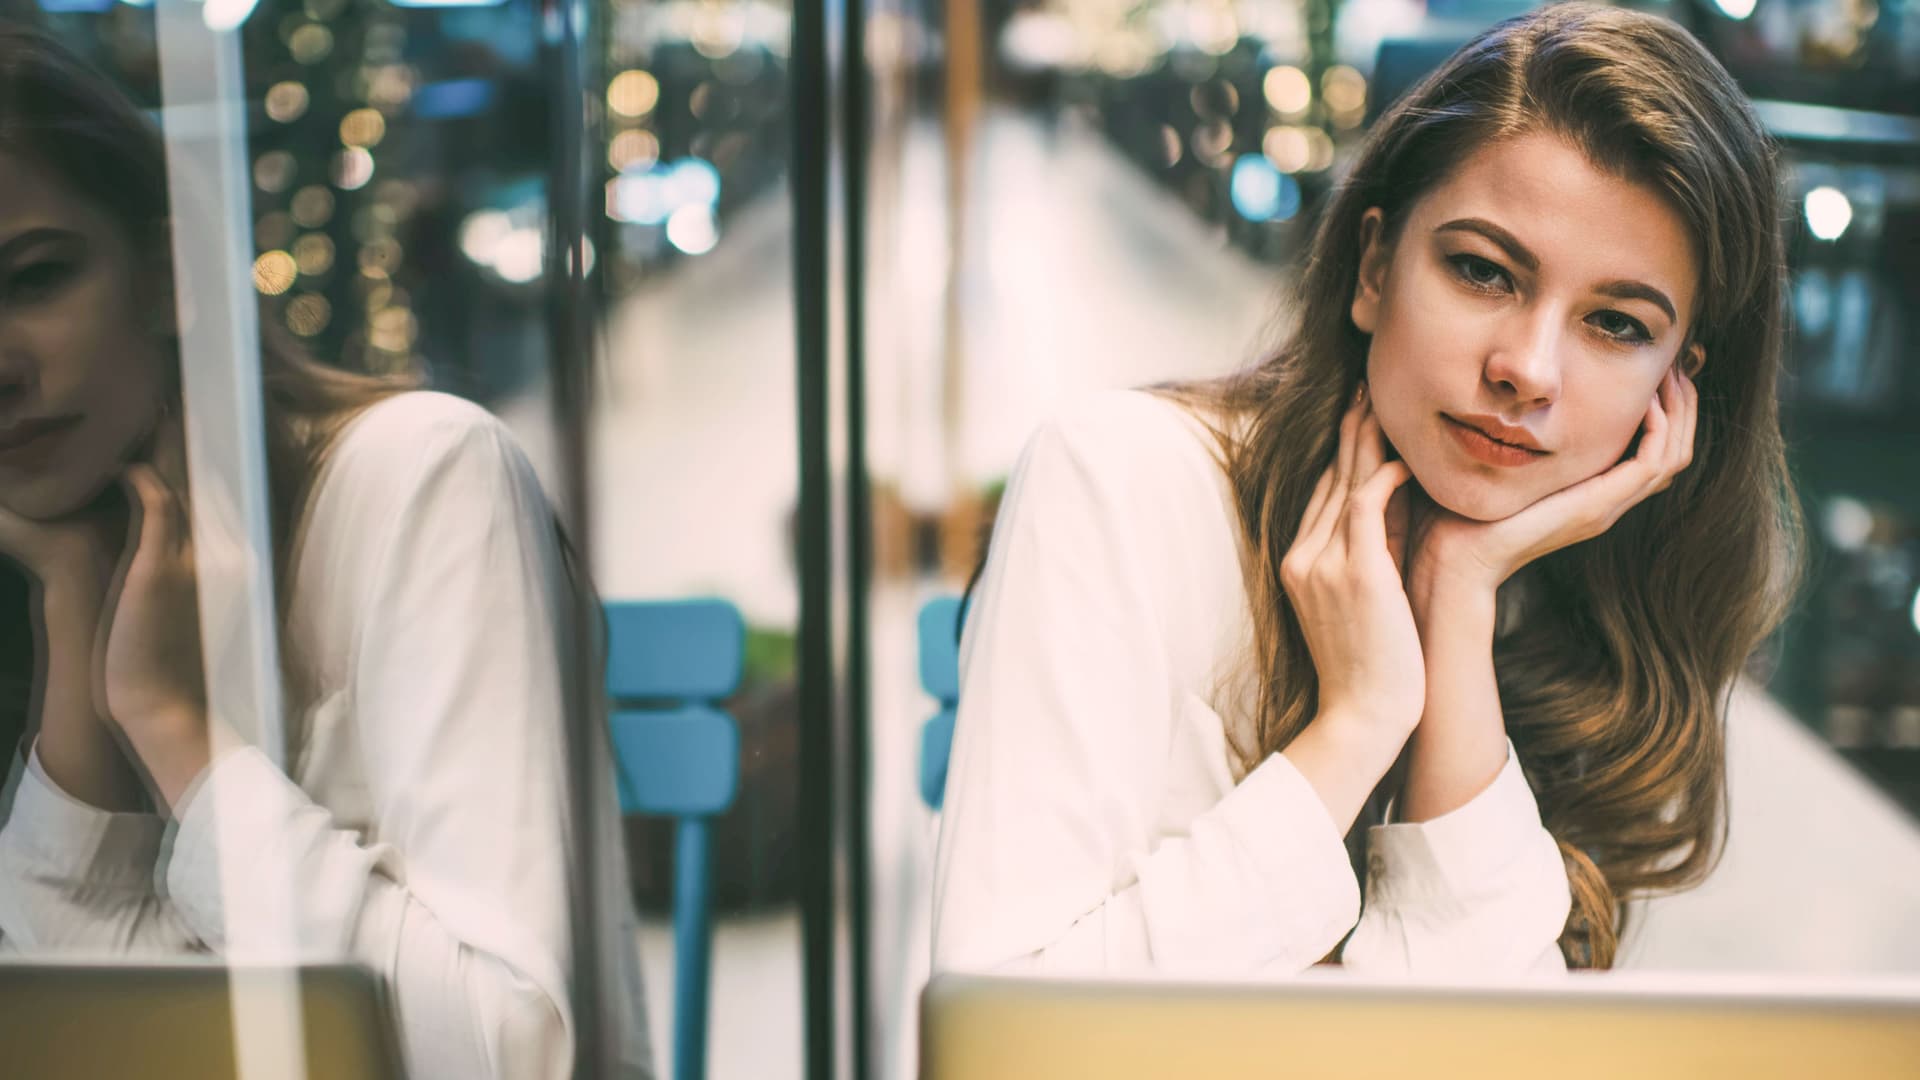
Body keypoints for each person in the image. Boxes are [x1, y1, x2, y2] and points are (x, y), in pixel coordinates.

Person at [931, 2, 1801, 976]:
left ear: (1677, 385)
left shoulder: (1585, 604)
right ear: (1376, 265)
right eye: (1483, 271)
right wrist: (1359, 723)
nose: (1527, 369)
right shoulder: (1122, 479)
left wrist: (1456, 599)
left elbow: (1492, 1041)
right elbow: (1008, 1020)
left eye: (1617, 325)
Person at [0, 24, 652, 1079]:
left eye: (34, 279)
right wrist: (78, 620)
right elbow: (82, 1048)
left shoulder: (424, 472)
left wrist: (176, 730)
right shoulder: (74, 563)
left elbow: (517, 1051)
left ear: (165, 270)